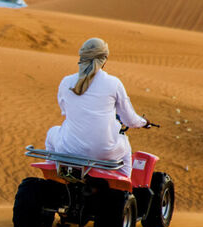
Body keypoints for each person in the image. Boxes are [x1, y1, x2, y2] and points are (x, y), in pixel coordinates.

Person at [45, 38, 150, 177]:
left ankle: (53, 176)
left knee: (52, 132)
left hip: (69, 149)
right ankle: (125, 182)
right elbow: (130, 120)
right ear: (104, 60)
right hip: (104, 152)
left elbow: (65, 111)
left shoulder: (66, 82)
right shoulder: (114, 83)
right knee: (125, 144)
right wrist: (144, 122)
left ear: (81, 57)